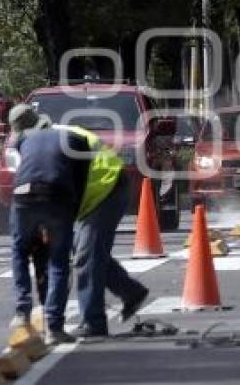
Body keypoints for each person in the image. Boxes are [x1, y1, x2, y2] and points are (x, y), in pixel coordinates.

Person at [55, 124, 150, 341]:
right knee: (88, 251)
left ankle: (93, 322)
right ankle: (131, 292)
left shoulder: (54, 147)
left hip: (107, 188)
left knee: (86, 256)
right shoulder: (54, 137)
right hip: (99, 188)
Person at [7, 104, 90, 345]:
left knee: (19, 250)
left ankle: (22, 312)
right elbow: (80, 180)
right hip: (57, 196)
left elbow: (29, 170)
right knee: (58, 260)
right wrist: (73, 211)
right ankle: (54, 326)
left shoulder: (23, 141)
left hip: (23, 195)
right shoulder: (74, 139)